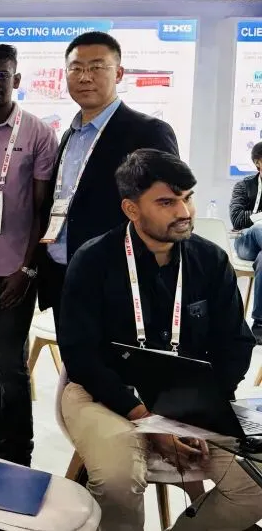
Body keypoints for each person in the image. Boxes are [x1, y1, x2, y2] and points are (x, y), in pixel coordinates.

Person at [59, 149, 261, 531]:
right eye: (167, 202)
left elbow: (235, 344)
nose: (184, 212)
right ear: (131, 209)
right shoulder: (93, 261)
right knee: (118, 479)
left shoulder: (211, 260)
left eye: (188, 198)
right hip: (104, 394)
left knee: (256, 483)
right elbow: (80, 355)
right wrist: (145, 417)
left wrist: (198, 410)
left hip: (189, 397)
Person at [37, 31, 178, 321]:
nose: (85, 77)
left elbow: (166, 208)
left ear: (119, 74)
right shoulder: (69, 135)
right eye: (76, 68)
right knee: (71, 350)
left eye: (97, 67)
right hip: (64, 274)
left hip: (118, 280)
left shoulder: (148, 132)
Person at [0, 44, 57, 467]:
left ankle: (20, 450)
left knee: (9, 363)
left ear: (16, 80)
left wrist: (28, 268)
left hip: (15, 272)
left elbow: (42, 209)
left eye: (2, 76)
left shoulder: (37, 133)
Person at [230, 141, 262, 343]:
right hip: (246, 242)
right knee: (259, 228)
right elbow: (237, 219)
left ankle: (259, 323)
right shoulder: (244, 186)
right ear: (258, 163)